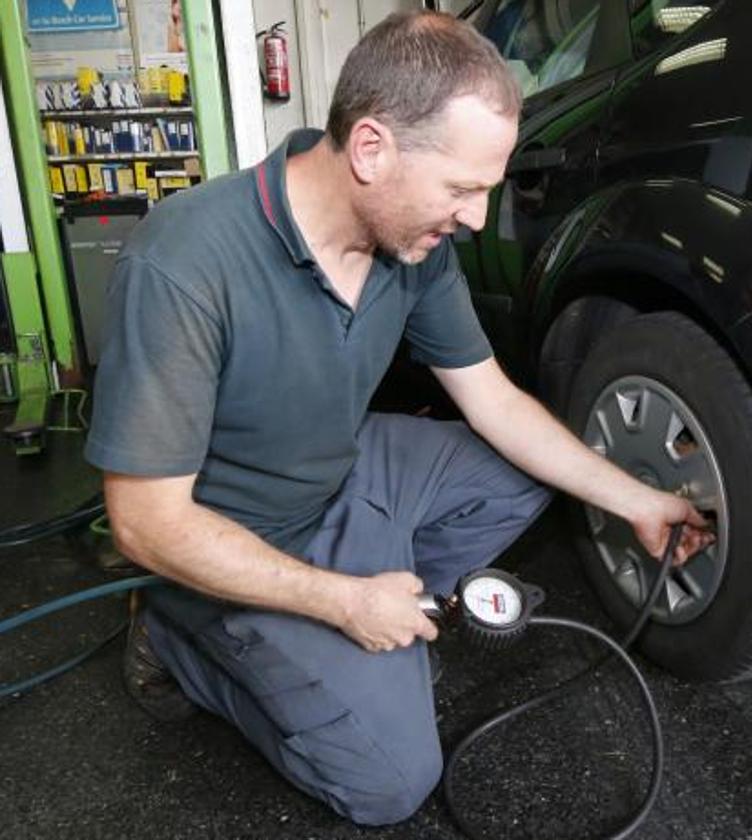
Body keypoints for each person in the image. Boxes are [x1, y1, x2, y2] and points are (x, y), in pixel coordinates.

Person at [85, 10, 711, 827]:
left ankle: (390, 610)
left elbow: (493, 400)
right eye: (463, 189)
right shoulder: (184, 264)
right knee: (389, 786)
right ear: (373, 149)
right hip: (237, 538)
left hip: (341, 473)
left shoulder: (413, 249)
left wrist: (635, 498)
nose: (477, 217)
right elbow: (144, 524)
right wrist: (345, 603)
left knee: (524, 474)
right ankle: (178, 640)